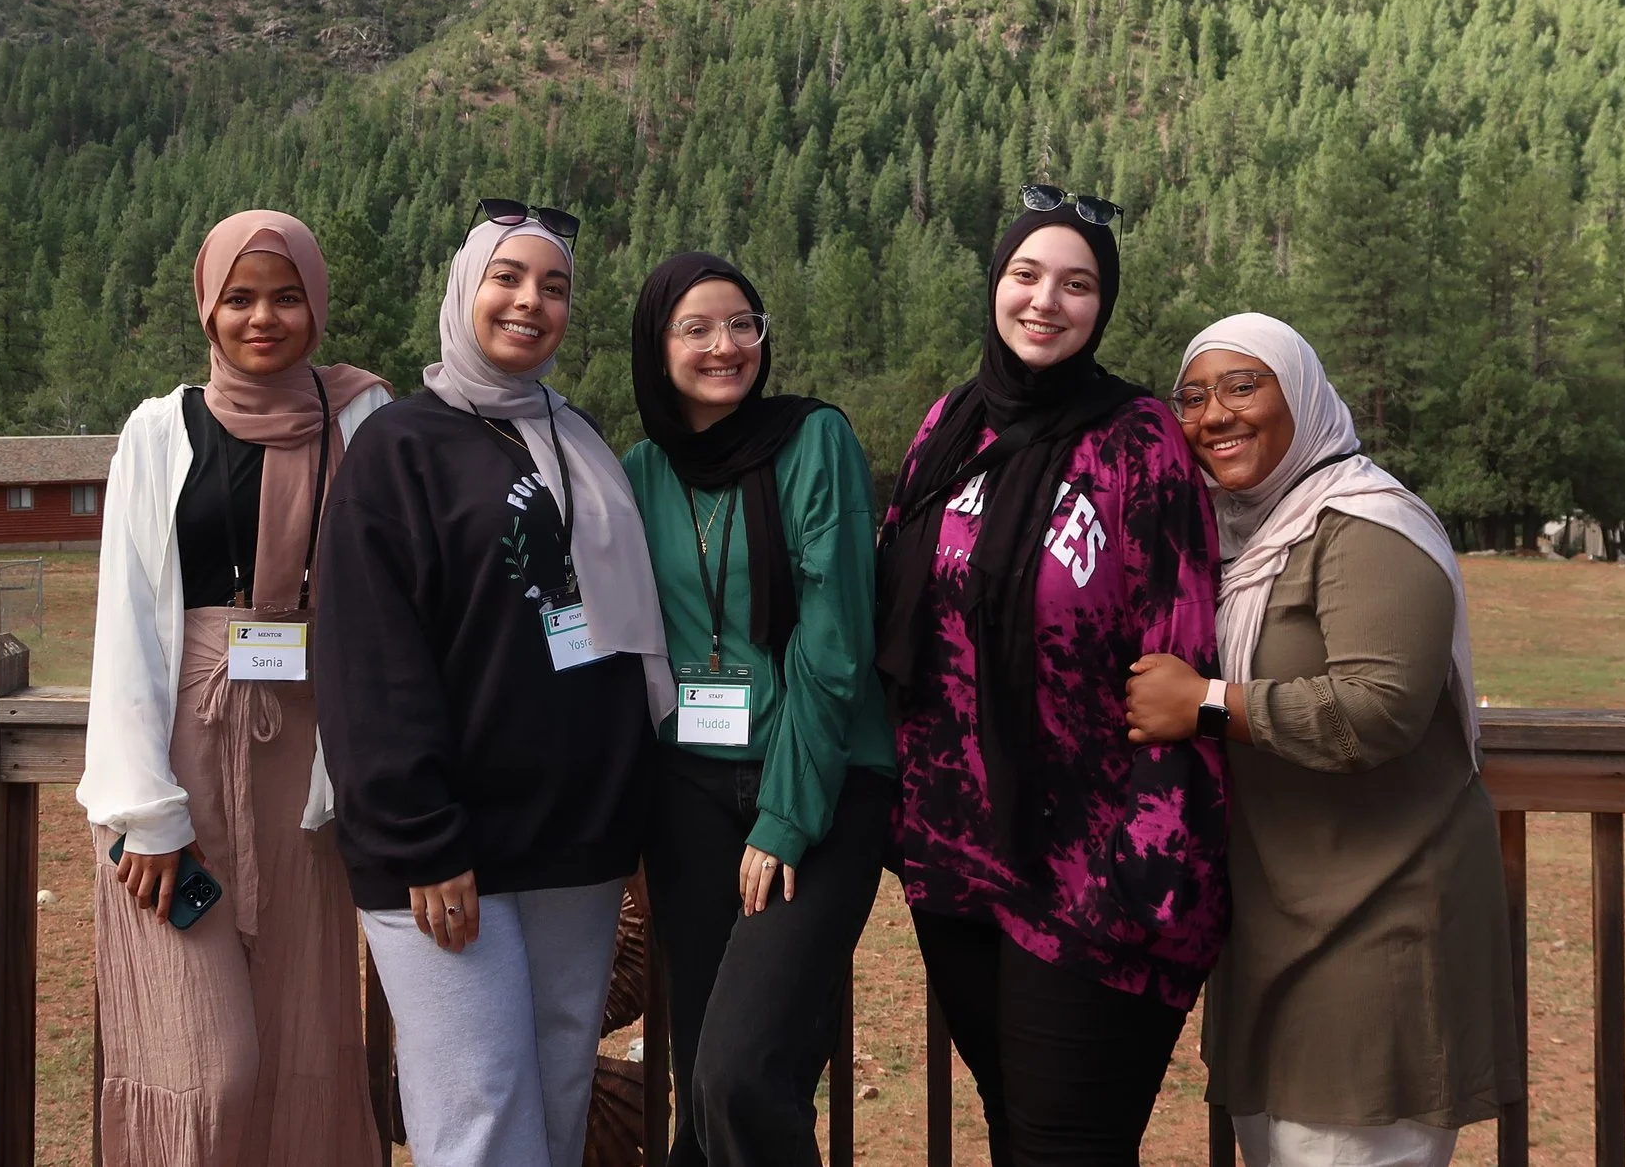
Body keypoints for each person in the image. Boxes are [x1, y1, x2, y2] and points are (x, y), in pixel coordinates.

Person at [315, 201, 673, 1167]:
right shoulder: (401, 449)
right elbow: (368, 660)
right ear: (466, 290)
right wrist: (421, 838)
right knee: (477, 1112)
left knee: (557, 1100)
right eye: (508, 279)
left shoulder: (577, 439)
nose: (531, 302)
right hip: (446, 848)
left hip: (577, 842)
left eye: (554, 287)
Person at [876, 188, 1228, 1167]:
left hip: (1095, 869)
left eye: (1076, 284)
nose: (1045, 300)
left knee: (1063, 1147)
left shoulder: (1139, 438)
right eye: (1025, 275)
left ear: (1101, 306)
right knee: (1019, 1134)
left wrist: (1138, 863)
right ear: (995, 283)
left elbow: (1177, 650)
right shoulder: (949, 424)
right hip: (953, 856)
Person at [1125, 313, 1521, 1167]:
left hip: (1381, 920)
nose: (1214, 414)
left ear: (1301, 393)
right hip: (1277, 921)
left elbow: (1377, 707)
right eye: (1192, 396)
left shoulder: (1364, 524)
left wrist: (1204, 702)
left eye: (1243, 384)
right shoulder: (1242, 538)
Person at [76, 208, 390, 1167]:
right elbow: (126, 617)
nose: (264, 317)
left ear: (317, 305)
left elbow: (391, 588)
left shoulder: (361, 419)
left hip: (309, 774)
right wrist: (147, 811)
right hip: (179, 768)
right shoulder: (159, 429)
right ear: (207, 309)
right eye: (240, 297)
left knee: (307, 1053)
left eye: (286, 296)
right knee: (212, 1070)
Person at [623, 252, 895, 1167]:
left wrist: (785, 817)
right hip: (690, 789)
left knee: (738, 1071)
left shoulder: (814, 441)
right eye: (696, 328)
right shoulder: (639, 472)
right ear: (656, 347)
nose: (726, 345)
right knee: (704, 1086)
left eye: (743, 323)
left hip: (817, 786)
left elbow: (836, 645)